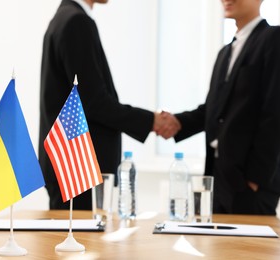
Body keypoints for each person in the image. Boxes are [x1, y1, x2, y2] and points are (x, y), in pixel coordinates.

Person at [38, 0, 180, 210]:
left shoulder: (65, 18)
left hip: (72, 168)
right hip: (77, 169)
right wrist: (151, 120)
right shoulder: (76, 22)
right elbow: (94, 102)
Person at [161, 0, 280, 215]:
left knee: (247, 249)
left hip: (249, 181)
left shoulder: (276, 38)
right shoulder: (225, 53)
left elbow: (278, 113)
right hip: (218, 176)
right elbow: (213, 110)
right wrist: (177, 122)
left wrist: (255, 180)